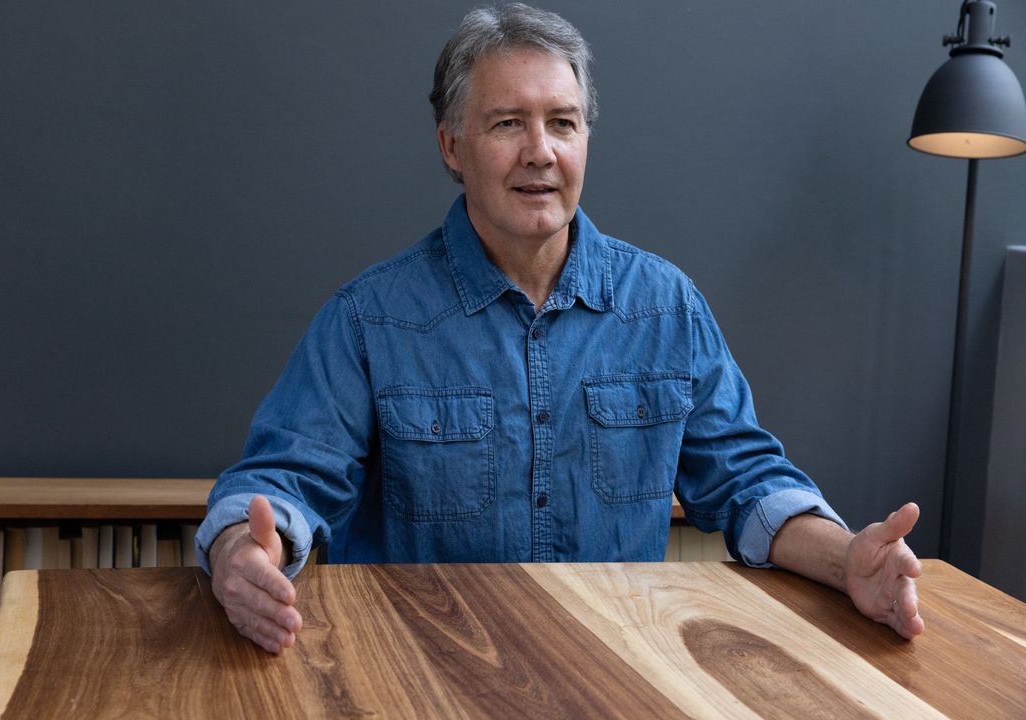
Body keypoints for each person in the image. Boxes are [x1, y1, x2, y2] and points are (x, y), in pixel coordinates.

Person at [196, 3, 925, 655]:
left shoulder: (666, 308)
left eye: (563, 123)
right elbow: (280, 481)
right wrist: (239, 555)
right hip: (422, 672)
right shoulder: (369, 319)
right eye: (508, 123)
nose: (540, 151)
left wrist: (846, 560)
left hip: (616, 667)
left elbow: (748, 483)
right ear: (452, 146)